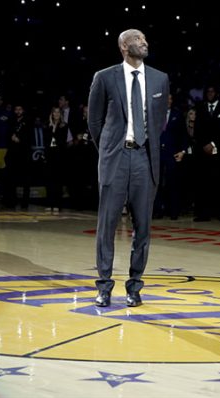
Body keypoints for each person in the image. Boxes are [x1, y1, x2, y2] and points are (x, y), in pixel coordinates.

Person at [87, 28, 170, 307]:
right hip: (116, 158)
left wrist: (143, 146)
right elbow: (94, 122)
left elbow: (158, 123)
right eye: (137, 39)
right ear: (124, 46)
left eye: (145, 38)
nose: (144, 42)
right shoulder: (105, 77)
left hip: (145, 160)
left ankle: (135, 287)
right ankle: (104, 286)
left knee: (143, 228)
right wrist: (110, 150)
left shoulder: (160, 79)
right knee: (107, 225)